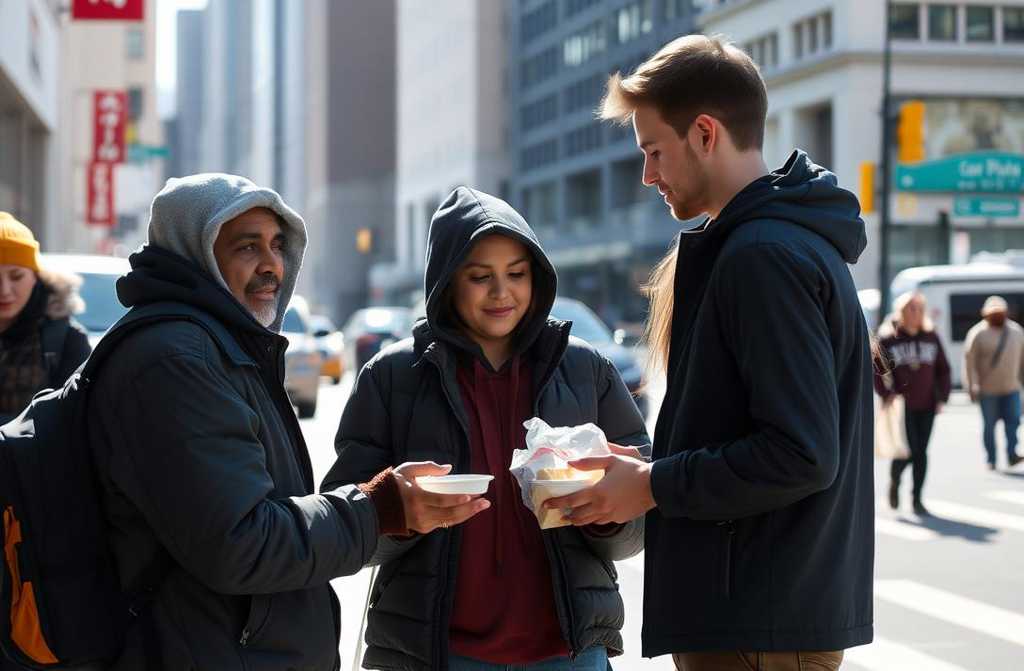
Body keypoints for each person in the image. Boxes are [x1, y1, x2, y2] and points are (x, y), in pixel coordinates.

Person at [542, 35, 873, 670]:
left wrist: (654, 484)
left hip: (758, 623)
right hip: (761, 615)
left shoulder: (763, 257)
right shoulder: (768, 245)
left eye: (652, 150)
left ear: (704, 134)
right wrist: (644, 470)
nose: (646, 174)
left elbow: (800, 453)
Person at [84, 174, 488, 670]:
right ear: (196, 252)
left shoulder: (219, 345)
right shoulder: (174, 361)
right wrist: (380, 508)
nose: (271, 264)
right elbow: (241, 543)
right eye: (246, 247)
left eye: (277, 244)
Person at [322, 187, 649, 671]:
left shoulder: (585, 369)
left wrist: (604, 510)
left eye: (516, 274)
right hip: (434, 653)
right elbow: (344, 522)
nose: (502, 292)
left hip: (568, 652)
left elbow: (638, 517)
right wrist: (399, 509)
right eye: (480, 277)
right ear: (446, 283)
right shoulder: (392, 377)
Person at [0, 212, 90, 424]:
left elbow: (77, 421)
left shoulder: (65, 338)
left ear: (35, 276)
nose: (4, 290)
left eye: (16, 276)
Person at [874, 292, 952, 516]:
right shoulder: (890, 339)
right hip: (902, 406)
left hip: (927, 403)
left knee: (921, 452)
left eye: (919, 308)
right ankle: (895, 481)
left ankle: (917, 499)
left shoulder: (931, 336)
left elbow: (943, 370)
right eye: (911, 308)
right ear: (901, 311)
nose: (916, 312)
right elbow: (877, 370)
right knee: (908, 451)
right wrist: (885, 393)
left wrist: (941, 397)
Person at [963, 295, 1024, 471]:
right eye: (993, 313)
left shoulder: (1017, 332)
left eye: (1000, 313)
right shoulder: (977, 334)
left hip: (1011, 388)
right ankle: (991, 458)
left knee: (1013, 423)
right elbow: (969, 362)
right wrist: (971, 385)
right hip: (987, 390)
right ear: (986, 315)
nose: (997, 316)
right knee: (989, 427)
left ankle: (1012, 454)